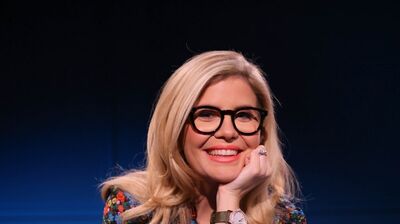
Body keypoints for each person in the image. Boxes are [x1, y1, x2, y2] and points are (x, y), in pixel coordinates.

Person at [100, 50, 307, 224]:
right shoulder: (132, 208)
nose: (228, 132)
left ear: (262, 133)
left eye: (244, 115)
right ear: (176, 127)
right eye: (206, 115)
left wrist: (229, 197)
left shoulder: (284, 217)